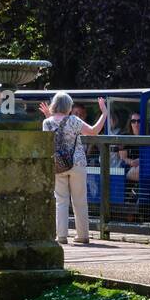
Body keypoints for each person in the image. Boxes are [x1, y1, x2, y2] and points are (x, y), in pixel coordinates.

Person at [42, 92, 108, 244]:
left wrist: (47, 116)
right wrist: (104, 113)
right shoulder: (74, 120)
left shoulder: (47, 123)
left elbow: (50, 139)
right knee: (79, 200)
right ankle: (83, 235)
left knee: (60, 201)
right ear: (68, 106)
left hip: (58, 165)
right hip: (77, 163)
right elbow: (93, 131)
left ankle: (62, 236)